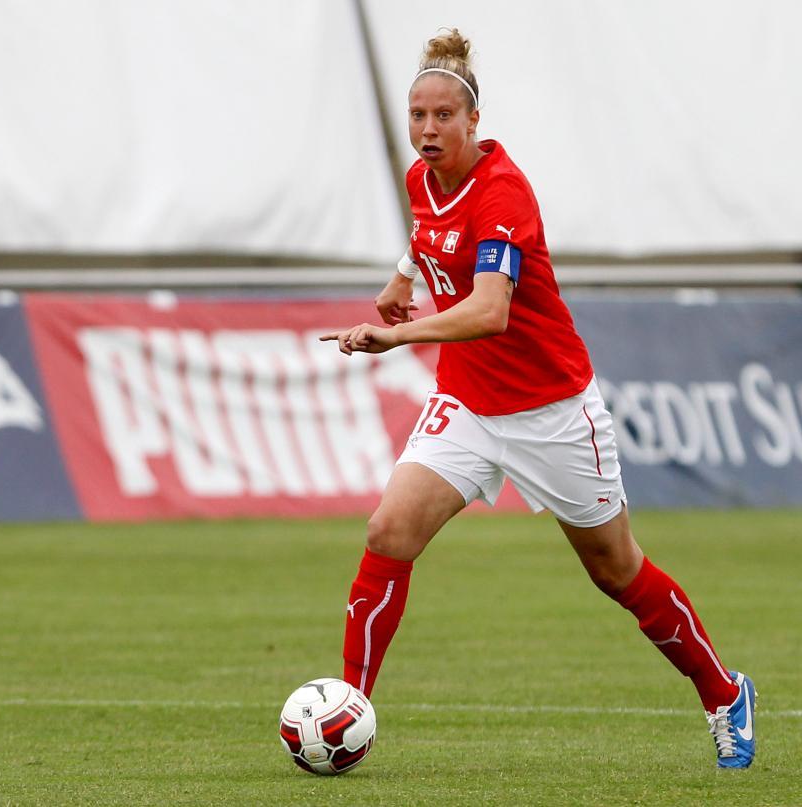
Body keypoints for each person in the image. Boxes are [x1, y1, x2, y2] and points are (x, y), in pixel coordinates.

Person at [319, 29, 757, 769]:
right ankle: (347, 709)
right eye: (417, 115)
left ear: (472, 122)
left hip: (552, 410)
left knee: (616, 569)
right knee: (388, 532)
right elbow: (431, 233)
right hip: (468, 402)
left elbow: (490, 310)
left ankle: (723, 691)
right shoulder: (420, 180)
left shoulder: (504, 193)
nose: (427, 130)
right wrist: (404, 273)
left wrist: (401, 334)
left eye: (442, 117)